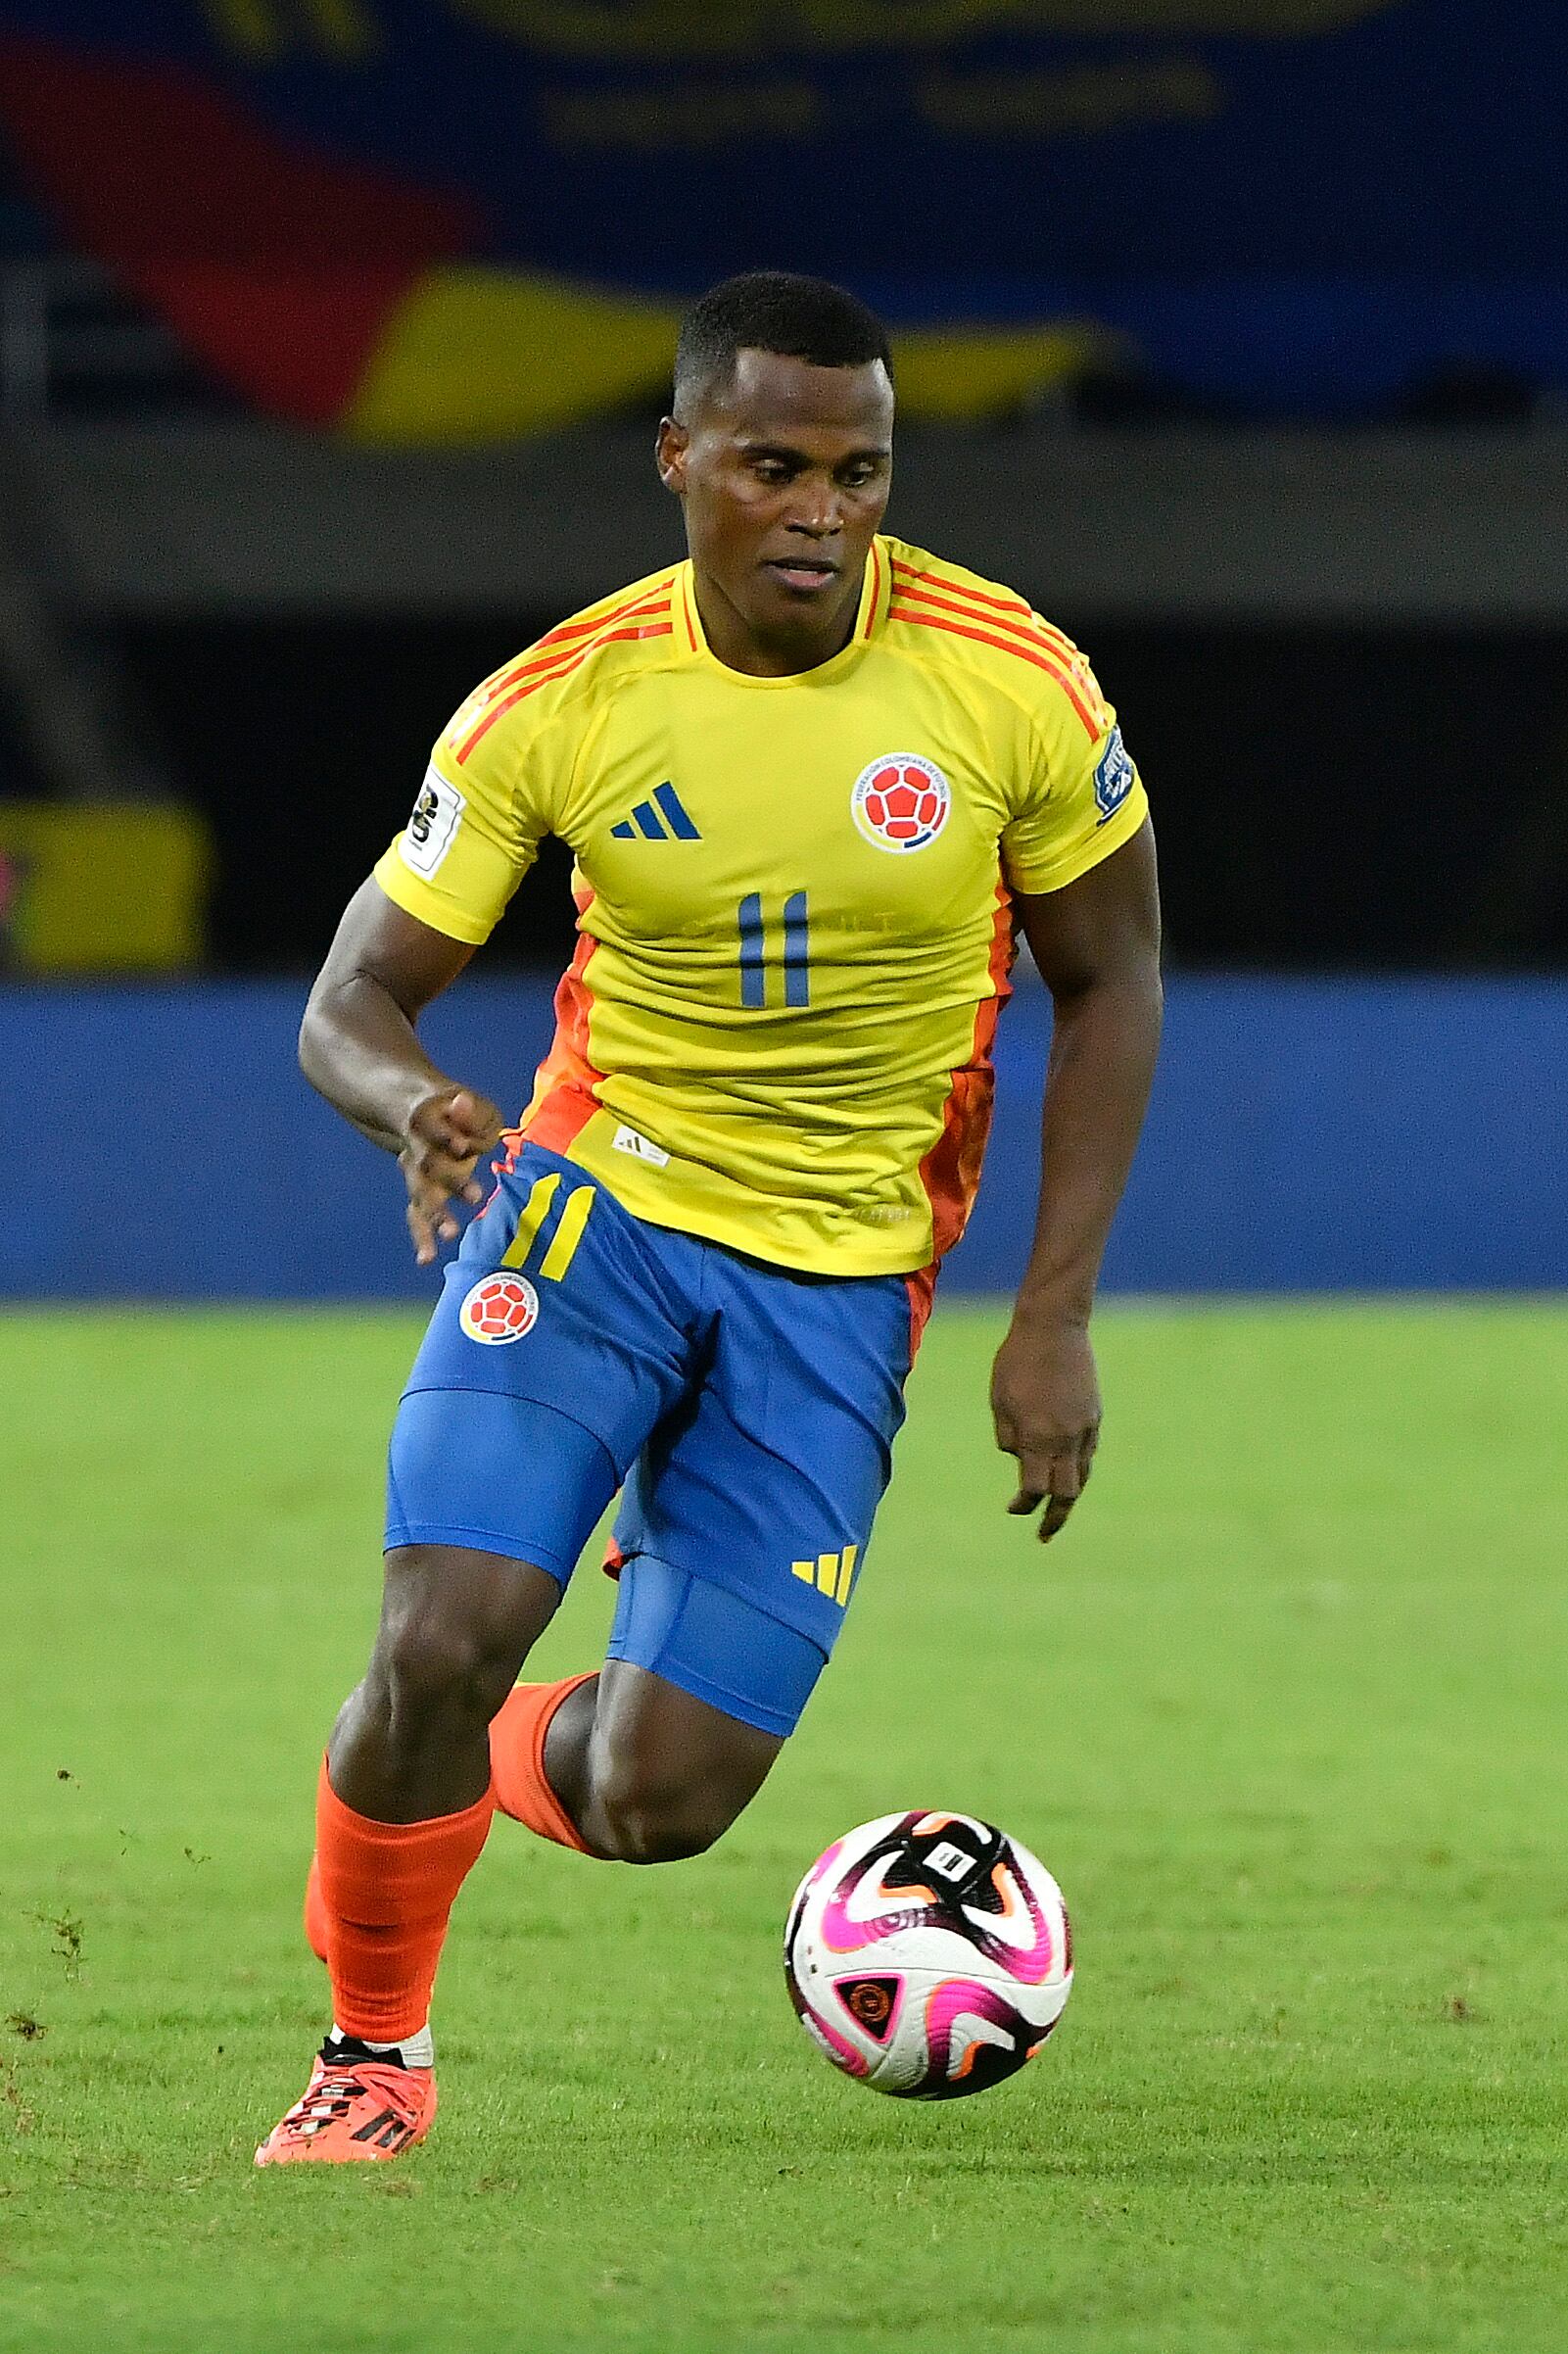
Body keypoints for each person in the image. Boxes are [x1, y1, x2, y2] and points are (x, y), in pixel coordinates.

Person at [255, 270, 1162, 2166]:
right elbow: (351, 1000)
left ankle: (443, 1753)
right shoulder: (562, 701)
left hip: (842, 1281)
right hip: (592, 1214)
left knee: (655, 1800)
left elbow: (1113, 984)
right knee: (441, 1632)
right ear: (678, 458)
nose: (822, 512)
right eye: (773, 467)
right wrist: (417, 1106)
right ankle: (372, 2050)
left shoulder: (1012, 683)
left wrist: (1053, 1312)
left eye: (858, 472)